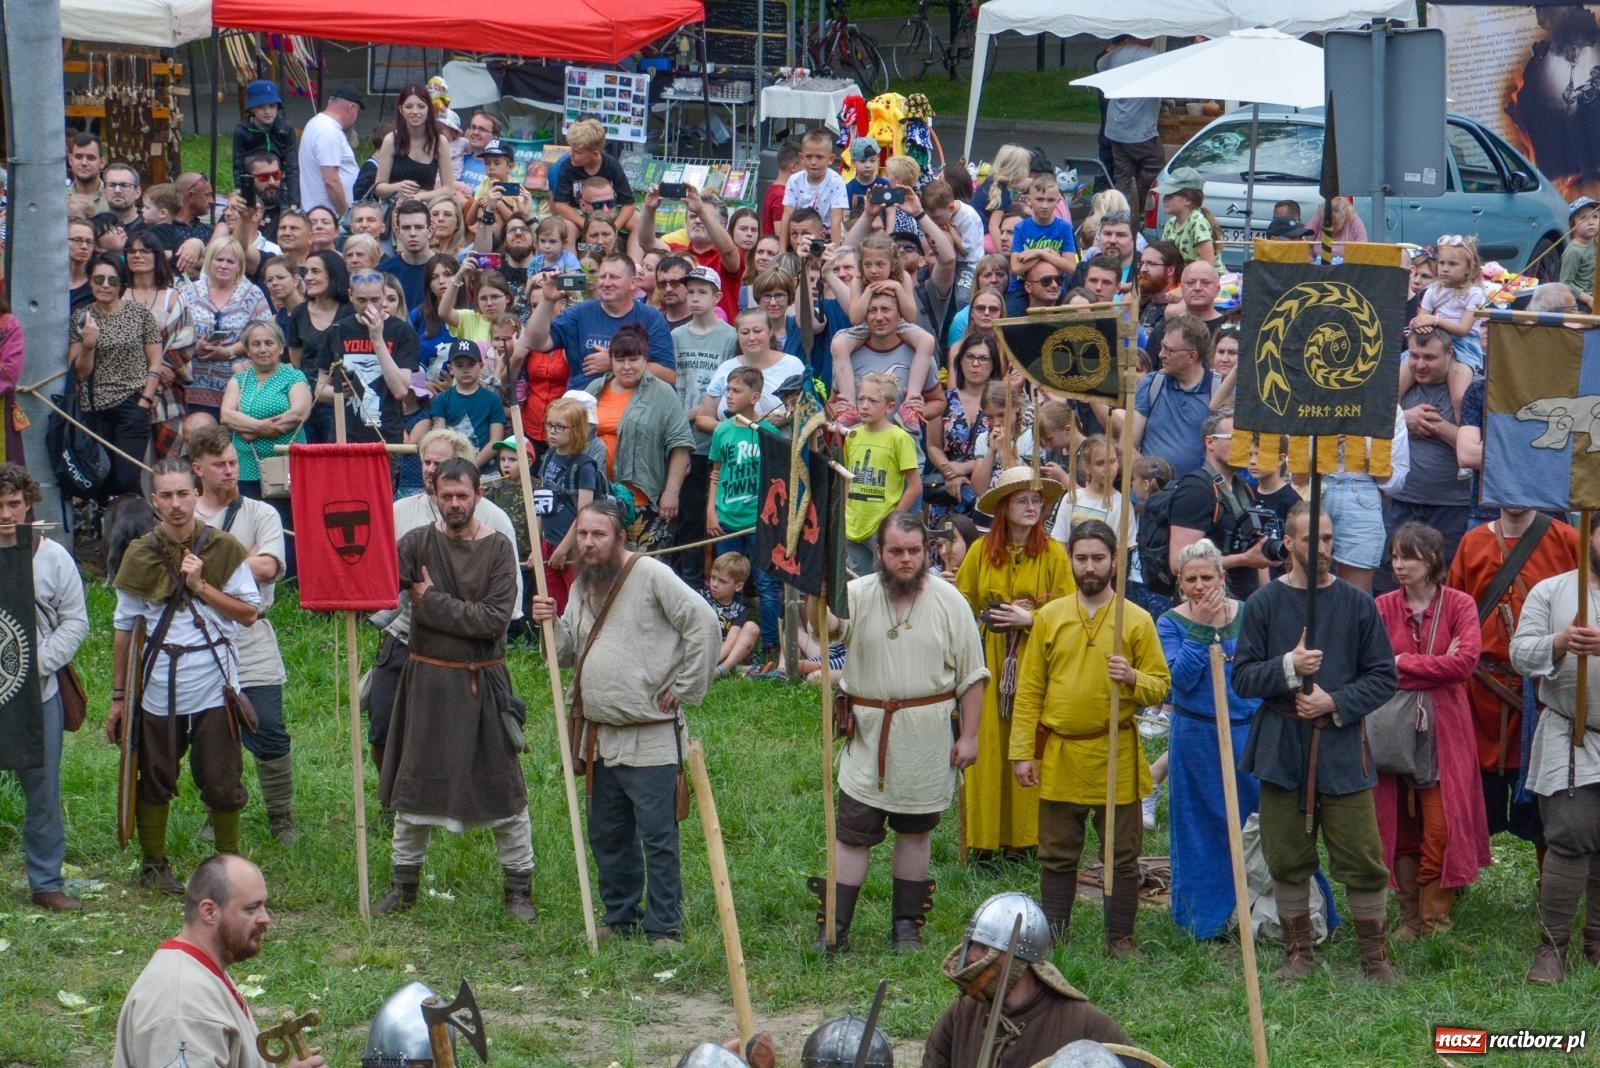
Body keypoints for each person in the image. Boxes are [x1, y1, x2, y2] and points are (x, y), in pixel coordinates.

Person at [531, 501, 718, 941]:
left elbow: (704, 622)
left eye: (598, 535)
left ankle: (664, 927)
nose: (588, 543)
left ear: (620, 538)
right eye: (582, 534)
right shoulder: (583, 582)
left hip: (649, 735)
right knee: (609, 835)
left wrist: (686, 685)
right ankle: (620, 918)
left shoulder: (650, 574)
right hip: (598, 736)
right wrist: (550, 624)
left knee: (658, 837)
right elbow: (566, 653)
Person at [1232, 502, 1400, 981]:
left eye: (1327, 539)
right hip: (1282, 744)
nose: (1323, 548)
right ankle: (1298, 954)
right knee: (1286, 854)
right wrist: (1289, 667)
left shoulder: (1357, 604)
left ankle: (1374, 960)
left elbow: (1383, 676)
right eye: (1312, 539)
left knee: (1362, 855)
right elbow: (1243, 678)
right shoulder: (1264, 604)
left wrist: (1334, 701)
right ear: (1288, 543)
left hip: (1341, 745)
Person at [808, 513, 985, 951]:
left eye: (913, 551)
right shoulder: (857, 595)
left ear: (927, 551)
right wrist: (818, 593)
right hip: (868, 737)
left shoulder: (950, 601)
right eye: (896, 551)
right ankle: (835, 928)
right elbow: (827, 627)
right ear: (879, 554)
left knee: (916, 831)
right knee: (852, 833)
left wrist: (969, 736)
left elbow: (972, 676)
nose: (906, 559)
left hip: (926, 739)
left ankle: (906, 927)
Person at [372, 457, 535, 923]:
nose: (455, 503)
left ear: (478, 494)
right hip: (427, 684)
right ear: (435, 496)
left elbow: (493, 621)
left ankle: (518, 889)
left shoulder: (498, 548)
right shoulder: (417, 542)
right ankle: (404, 886)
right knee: (413, 786)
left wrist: (432, 601)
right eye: (447, 496)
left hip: (482, 684)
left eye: (463, 495)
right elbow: (378, 585)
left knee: (503, 789)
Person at [1010, 519, 1170, 956]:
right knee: (1056, 851)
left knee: (1121, 853)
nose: (1089, 566)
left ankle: (1120, 938)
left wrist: (1132, 677)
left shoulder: (1136, 620)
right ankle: (1054, 937)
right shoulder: (1050, 617)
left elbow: (1160, 685)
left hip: (1115, 750)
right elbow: (1030, 689)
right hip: (1061, 751)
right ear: (1071, 560)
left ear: (1115, 561)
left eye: (1098, 558)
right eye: (1081, 558)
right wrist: (1022, 752)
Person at [108, 459, 261, 892]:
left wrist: (202, 587)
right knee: (155, 776)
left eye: (182, 494)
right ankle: (153, 866)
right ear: (154, 502)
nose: (176, 504)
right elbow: (125, 628)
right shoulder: (140, 554)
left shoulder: (225, 549)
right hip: (159, 683)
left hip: (214, 683)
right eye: (166, 496)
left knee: (222, 780)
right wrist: (119, 697)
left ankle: (228, 870)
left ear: (196, 495)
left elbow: (248, 613)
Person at [366, 430, 522, 772]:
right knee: (384, 731)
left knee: (460, 748)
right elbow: (376, 578)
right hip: (405, 640)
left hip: (469, 657)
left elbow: (499, 616)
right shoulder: (402, 515)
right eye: (426, 462)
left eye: (439, 464)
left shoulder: (495, 527)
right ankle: (395, 794)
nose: (430, 469)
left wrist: (432, 602)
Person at [1375, 521, 1490, 940]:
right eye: (1394, 556)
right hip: (1392, 727)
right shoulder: (1382, 606)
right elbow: (1375, 667)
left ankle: (1434, 921)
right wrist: (1430, 664)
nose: (1398, 565)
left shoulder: (1459, 604)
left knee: (1442, 826)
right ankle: (1410, 920)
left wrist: (1402, 662)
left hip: (1446, 729)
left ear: (1432, 559)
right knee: (1400, 823)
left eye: (1407, 556)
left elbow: (1465, 664)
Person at [1447, 507, 1578, 863]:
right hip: (1480, 693)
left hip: (1543, 691)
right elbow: (1454, 609)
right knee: (1465, 798)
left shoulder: (1567, 540)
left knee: (1547, 801)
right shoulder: (1472, 543)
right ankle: (1454, 880)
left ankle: (1549, 885)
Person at [954, 468, 1072, 862]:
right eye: (1023, 500)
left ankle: (1024, 841)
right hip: (990, 658)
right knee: (988, 743)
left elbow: (1069, 612)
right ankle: (984, 841)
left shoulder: (1053, 554)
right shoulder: (980, 551)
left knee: (1028, 740)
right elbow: (962, 605)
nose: (1032, 507)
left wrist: (1032, 618)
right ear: (1004, 507)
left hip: (1035, 659)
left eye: (1037, 501)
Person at [188, 426, 297, 844]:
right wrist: (241, 559)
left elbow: (267, 567)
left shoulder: (261, 513)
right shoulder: (185, 515)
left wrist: (205, 567)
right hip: (198, 636)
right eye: (220, 465)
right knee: (210, 733)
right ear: (198, 469)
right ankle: (218, 811)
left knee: (268, 726)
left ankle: (281, 816)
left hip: (251, 633)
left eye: (233, 463)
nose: (230, 471)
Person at [114, 854, 326, 1068]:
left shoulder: (199, 972)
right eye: (251, 908)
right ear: (209, 912)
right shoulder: (183, 1005)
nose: (265, 918)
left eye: (263, 906)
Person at [1156, 539, 1262, 939]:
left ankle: (1258, 908)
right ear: (1180, 584)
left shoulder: (1248, 613)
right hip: (1196, 736)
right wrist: (1200, 629)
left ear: (1222, 576)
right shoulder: (1170, 623)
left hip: (1247, 732)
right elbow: (1178, 682)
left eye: (1206, 577)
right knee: (1199, 826)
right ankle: (1203, 919)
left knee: (1255, 819)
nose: (1199, 586)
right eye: (1191, 580)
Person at [1509, 521, 1600, 984]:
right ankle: (1552, 947)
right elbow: (1520, 654)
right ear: (1590, 535)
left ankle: (1596, 941)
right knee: (1570, 834)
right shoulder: (1551, 591)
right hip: (1572, 732)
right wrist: (1561, 643)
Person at [0, 466, 88, 911]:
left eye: (13, 503)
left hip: (39, 693)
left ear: (29, 503)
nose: (5, 514)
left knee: (43, 789)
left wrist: (35, 665)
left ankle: (46, 881)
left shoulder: (53, 558)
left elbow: (75, 621)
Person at [924, 892, 1129, 1067]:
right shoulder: (963, 1013)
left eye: (984, 948)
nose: (971, 956)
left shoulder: (1084, 1023)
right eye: (972, 945)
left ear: (1019, 961)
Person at [68, 252, 161, 499]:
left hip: (132, 404)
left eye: (112, 280)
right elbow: (79, 373)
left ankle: (137, 521)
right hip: (94, 408)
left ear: (122, 284)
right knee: (102, 478)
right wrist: (89, 344)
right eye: (99, 279)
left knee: (126, 479)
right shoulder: (82, 317)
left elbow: (155, 360)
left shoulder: (140, 314)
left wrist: (145, 400)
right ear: (90, 281)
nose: (105, 285)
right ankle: (107, 523)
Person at [523, 253, 676, 390]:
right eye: (602, 277)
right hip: (583, 406)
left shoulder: (651, 318)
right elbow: (534, 343)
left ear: (633, 282)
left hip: (633, 406)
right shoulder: (579, 313)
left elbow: (668, 375)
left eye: (614, 277)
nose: (606, 283)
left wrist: (614, 363)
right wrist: (547, 300)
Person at [1166, 409, 1273, 602]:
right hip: (1206, 605)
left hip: (1243, 605)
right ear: (1210, 442)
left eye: (1248, 439)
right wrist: (1244, 559)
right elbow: (1178, 563)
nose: (1246, 446)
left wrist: (1266, 601)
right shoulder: (1195, 489)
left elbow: (1257, 548)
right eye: (1236, 438)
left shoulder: (1242, 486)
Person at [314, 270, 421, 459]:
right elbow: (319, 390)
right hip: (345, 436)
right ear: (350, 295)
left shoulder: (402, 332)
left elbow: (400, 390)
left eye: (375, 299)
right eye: (362, 300)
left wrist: (377, 339)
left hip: (386, 436)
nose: (369, 306)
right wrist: (341, 391)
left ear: (384, 295)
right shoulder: (338, 331)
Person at [1389, 330, 1471, 568]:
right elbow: (1369, 424)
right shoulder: (1401, 387)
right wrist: (1403, 419)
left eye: (1429, 357)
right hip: (1401, 503)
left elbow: (1483, 449)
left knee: (1443, 576)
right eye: (1414, 356)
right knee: (1393, 578)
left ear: (1449, 353)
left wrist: (1438, 427)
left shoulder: (1470, 389)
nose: (1420, 365)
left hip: (1452, 507)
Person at [178, 237, 273, 420]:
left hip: (239, 387)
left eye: (230, 261)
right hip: (193, 387)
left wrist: (229, 352)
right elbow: (174, 334)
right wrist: (194, 347)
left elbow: (266, 334)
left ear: (239, 266)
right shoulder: (187, 292)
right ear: (209, 261)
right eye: (219, 259)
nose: (224, 265)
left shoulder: (252, 294)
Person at [844, 373, 923, 576]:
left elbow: (915, 486)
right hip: (853, 524)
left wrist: (892, 521)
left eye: (872, 401)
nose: (864, 406)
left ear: (889, 407)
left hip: (880, 525)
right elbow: (846, 478)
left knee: (885, 581)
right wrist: (845, 512)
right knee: (859, 583)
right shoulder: (852, 436)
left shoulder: (899, 438)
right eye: (861, 399)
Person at [221, 318, 310, 499]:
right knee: (249, 514)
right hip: (246, 467)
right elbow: (226, 416)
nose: (263, 349)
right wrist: (261, 427)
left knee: (286, 516)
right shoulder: (238, 380)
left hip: (286, 467)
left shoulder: (294, 376)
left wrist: (249, 429)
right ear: (248, 351)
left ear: (281, 348)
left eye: (269, 343)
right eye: (256, 344)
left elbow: (298, 413)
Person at [1130, 315, 1221, 478]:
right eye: (1162, 347)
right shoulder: (1151, 384)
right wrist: (1154, 478)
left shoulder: (1218, 390)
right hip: (1151, 490)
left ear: (1192, 357)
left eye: (1169, 350)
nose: (1161, 355)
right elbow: (1128, 446)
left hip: (1197, 490)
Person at [1096, 36, 1162, 211]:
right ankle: (1139, 205)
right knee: (1154, 166)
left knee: (1123, 174)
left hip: (1116, 128)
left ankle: (1122, 211)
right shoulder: (1151, 56)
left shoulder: (1118, 54)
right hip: (1140, 129)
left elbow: (1100, 66)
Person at [430, 339, 506, 469]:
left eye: (471, 365)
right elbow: (440, 437)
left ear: (481, 366)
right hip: (450, 468)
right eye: (459, 365)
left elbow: (496, 440)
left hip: (484, 470)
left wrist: (472, 465)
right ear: (450, 368)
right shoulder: (442, 399)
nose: (465, 370)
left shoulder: (492, 399)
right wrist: (453, 466)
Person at [372, 84, 454, 202]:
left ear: (429, 109)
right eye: (409, 107)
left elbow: (449, 189)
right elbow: (378, 187)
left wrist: (420, 197)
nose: (415, 111)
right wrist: (397, 187)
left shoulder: (440, 142)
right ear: (401, 110)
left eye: (421, 106)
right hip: (395, 205)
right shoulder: (391, 140)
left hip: (425, 205)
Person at [232, 82, 299, 211]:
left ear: (278, 107)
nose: (268, 112)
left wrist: (294, 200)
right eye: (260, 107)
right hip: (254, 184)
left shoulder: (286, 129)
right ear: (252, 109)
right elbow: (238, 166)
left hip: (279, 183)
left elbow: (292, 166)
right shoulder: (242, 131)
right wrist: (241, 191)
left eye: (272, 106)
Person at [298, 85, 363, 216]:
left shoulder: (316, 123)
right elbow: (331, 181)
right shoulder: (328, 131)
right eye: (358, 112)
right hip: (330, 216)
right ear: (352, 108)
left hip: (322, 213)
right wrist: (346, 216)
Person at [779, 128, 849, 245]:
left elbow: (836, 220)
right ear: (801, 158)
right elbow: (787, 216)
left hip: (828, 238)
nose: (813, 162)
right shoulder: (794, 181)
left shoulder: (837, 182)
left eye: (819, 157)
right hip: (800, 237)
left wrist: (834, 251)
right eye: (809, 157)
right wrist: (782, 250)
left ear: (831, 159)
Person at [704, 550, 762, 676]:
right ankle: (735, 669)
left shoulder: (739, 610)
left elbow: (730, 642)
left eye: (722, 581)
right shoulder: (702, 597)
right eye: (713, 577)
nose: (714, 584)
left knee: (752, 627)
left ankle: (722, 670)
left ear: (738, 586)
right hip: (700, 649)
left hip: (723, 651)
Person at [1156, 168, 1218, 266]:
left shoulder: (1196, 222)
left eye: (1170, 196)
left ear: (1187, 200)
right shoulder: (1171, 223)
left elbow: (1208, 264)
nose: (1164, 199)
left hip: (1202, 275)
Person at [1561, 197, 1597, 308]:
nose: (1591, 222)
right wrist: (1589, 299)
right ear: (1574, 226)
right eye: (1584, 218)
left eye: (1595, 217)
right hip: (1581, 301)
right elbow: (1566, 283)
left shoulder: (1595, 241)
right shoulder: (1573, 251)